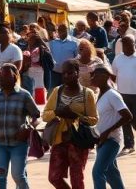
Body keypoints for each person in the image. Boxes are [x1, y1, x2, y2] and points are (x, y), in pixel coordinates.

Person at [43, 59, 98, 189]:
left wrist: (76, 116)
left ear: (77, 73)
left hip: (78, 141)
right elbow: (45, 115)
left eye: (70, 73)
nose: (66, 76)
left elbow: (94, 119)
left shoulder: (87, 94)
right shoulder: (57, 91)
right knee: (54, 177)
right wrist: (57, 112)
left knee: (77, 178)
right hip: (59, 140)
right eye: (64, 73)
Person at [0, 64, 40, 189]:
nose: (3, 79)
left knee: (18, 175)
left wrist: (29, 127)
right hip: (0, 144)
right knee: (0, 178)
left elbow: (36, 116)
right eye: (0, 76)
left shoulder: (24, 95)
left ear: (15, 77)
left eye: (6, 76)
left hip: (18, 144)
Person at [91, 64, 131, 189]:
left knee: (97, 172)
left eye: (95, 76)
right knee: (110, 172)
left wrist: (107, 132)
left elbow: (128, 116)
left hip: (112, 140)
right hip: (102, 140)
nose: (92, 78)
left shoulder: (113, 95)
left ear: (104, 77)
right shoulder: (100, 94)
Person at [48, 23, 79, 89]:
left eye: (63, 30)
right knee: (53, 93)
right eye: (59, 30)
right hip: (55, 72)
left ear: (67, 30)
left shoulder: (74, 42)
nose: (61, 32)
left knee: (67, 91)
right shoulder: (53, 43)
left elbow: (77, 57)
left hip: (68, 73)